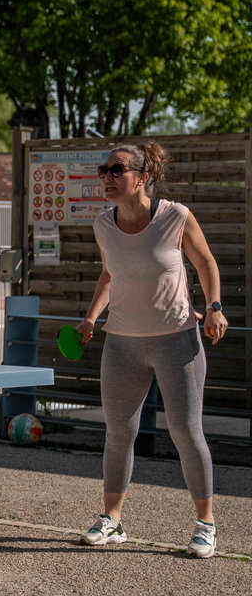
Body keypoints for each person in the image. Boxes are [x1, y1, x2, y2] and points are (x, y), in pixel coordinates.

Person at [75, 141, 224, 558]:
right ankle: (112, 520)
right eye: (103, 170)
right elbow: (109, 276)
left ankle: (206, 524)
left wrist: (213, 308)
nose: (106, 177)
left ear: (143, 177)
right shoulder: (103, 225)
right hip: (122, 343)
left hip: (177, 340)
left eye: (116, 170)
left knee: (185, 432)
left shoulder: (176, 216)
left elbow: (206, 263)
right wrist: (91, 318)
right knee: (118, 432)